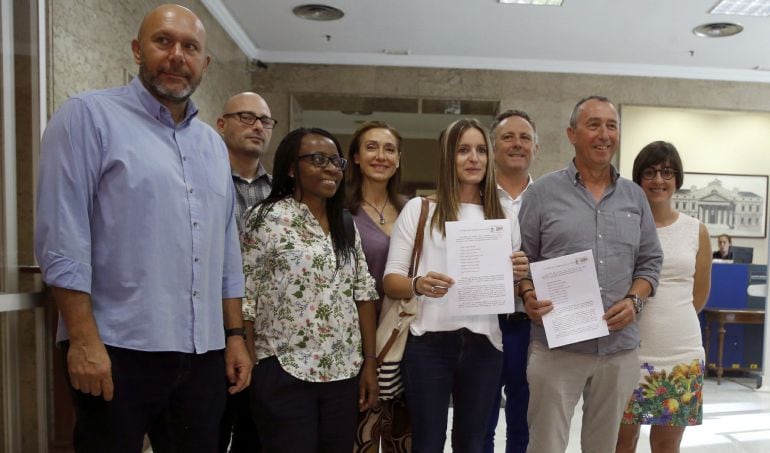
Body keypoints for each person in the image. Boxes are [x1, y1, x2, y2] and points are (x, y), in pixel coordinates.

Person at [34, 5, 251, 452]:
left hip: (202, 352)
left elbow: (226, 252)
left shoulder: (212, 144)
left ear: (205, 64)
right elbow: (62, 236)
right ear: (137, 49)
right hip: (114, 347)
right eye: (163, 41)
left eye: (190, 47)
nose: (177, 56)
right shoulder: (87, 117)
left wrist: (234, 338)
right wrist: (82, 339)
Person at [517, 96, 662, 453]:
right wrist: (527, 294)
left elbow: (650, 262)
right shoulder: (541, 194)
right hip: (557, 348)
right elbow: (522, 260)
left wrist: (634, 299)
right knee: (546, 445)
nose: (604, 134)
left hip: (618, 349)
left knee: (603, 447)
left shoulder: (635, 197)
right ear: (572, 133)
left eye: (611, 125)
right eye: (594, 125)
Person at [383, 119, 529, 453]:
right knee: (428, 442)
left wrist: (519, 273)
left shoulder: (504, 214)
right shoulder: (420, 209)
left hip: (485, 344)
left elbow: (509, 287)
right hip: (428, 345)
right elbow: (392, 281)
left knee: (473, 444)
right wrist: (418, 283)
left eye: (480, 150)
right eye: (463, 150)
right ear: (448, 157)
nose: (473, 158)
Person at [241, 127, 380, 452]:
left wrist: (369, 363)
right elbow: (246, 296)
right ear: (291, 167)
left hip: (343, 372)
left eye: (336, 161)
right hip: (284, 369)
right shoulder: (265, 218)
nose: (331, 168)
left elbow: (364, 295)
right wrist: (252, 365)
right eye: (318, 159)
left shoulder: (346, 224)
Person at [616, 141, 712, 453]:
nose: (659, 180)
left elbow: (699, 294)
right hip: (628, 352)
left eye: (667, 173)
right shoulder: (623, 227)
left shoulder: (696, 230)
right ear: (638, 179)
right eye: (650, 173)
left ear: (677, 179)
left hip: (680, 354)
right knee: (621, 441)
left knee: (666, 444)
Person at [346, 121, 412, 452]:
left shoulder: (414, 211)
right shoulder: (341, 211)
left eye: (389, 149)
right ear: (355, 157)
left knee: (405, 437)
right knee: (363, 438)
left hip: (405, 339)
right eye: (371, 147)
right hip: (357, 342)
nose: (380, 156)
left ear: (399, 159)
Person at [216, 92, 276, 452]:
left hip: (263, 335)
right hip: (213, 328)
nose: (257, 126)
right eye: (246, 117)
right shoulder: (205, 183)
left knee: (256, 435)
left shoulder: (281, 195)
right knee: (209, 429)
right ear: (221, 124)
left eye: (264, 121)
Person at [484, 110, 539, 453]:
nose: (517, 144)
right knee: (480, 421)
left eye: (525, 137)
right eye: (507, 137)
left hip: (532, 327)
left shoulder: (552, 198)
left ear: (536, 146)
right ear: (492, 147)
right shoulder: (473, 197)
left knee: (525, 424)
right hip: (483, 324)